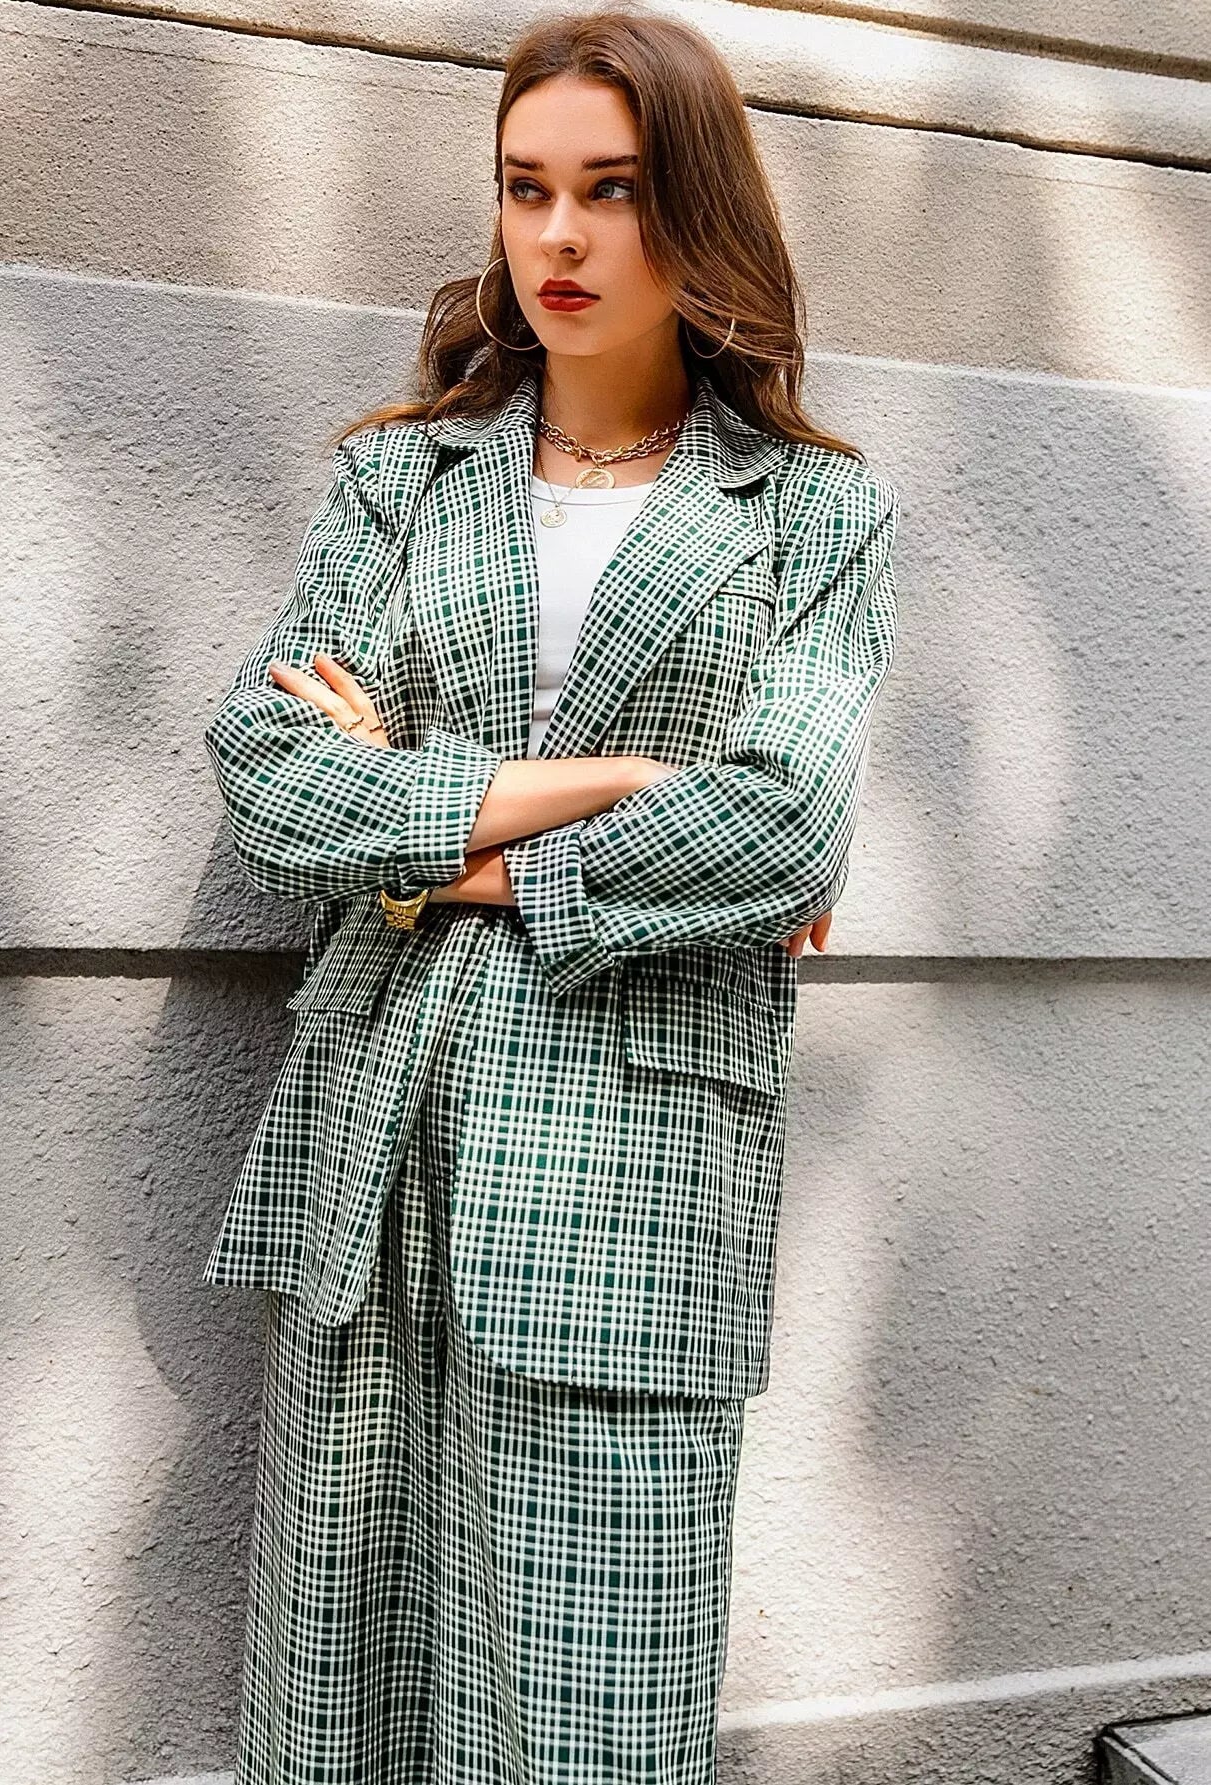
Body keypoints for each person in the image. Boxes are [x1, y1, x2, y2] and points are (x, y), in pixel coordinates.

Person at [200, 6, 901, 1781]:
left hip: (632, 1176)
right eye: (527, 189)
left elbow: (785, 827)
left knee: (590, 1727)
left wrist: (428, 843)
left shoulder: (814, 513)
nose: (561, 237)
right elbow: (272, 777)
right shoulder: (401, 475)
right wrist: (623, 781)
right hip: (378, 1150)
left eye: (614, 190)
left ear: (699, 210)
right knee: (340, 1709)